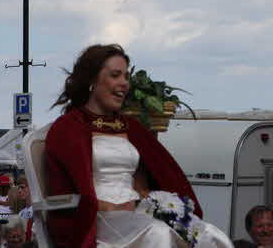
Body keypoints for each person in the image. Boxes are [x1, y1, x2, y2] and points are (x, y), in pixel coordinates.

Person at [45, 43, 233, 248]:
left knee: (210, 235)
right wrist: (107, 206)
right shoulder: (69, 127)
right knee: (158, 233)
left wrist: (151, 202)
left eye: (126, 76)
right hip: (97, 218)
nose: (124, 83)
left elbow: (144, 180)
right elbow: (67, 187)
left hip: (136, 213)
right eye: (115, 75)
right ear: (92, 79)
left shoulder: (131, 127)